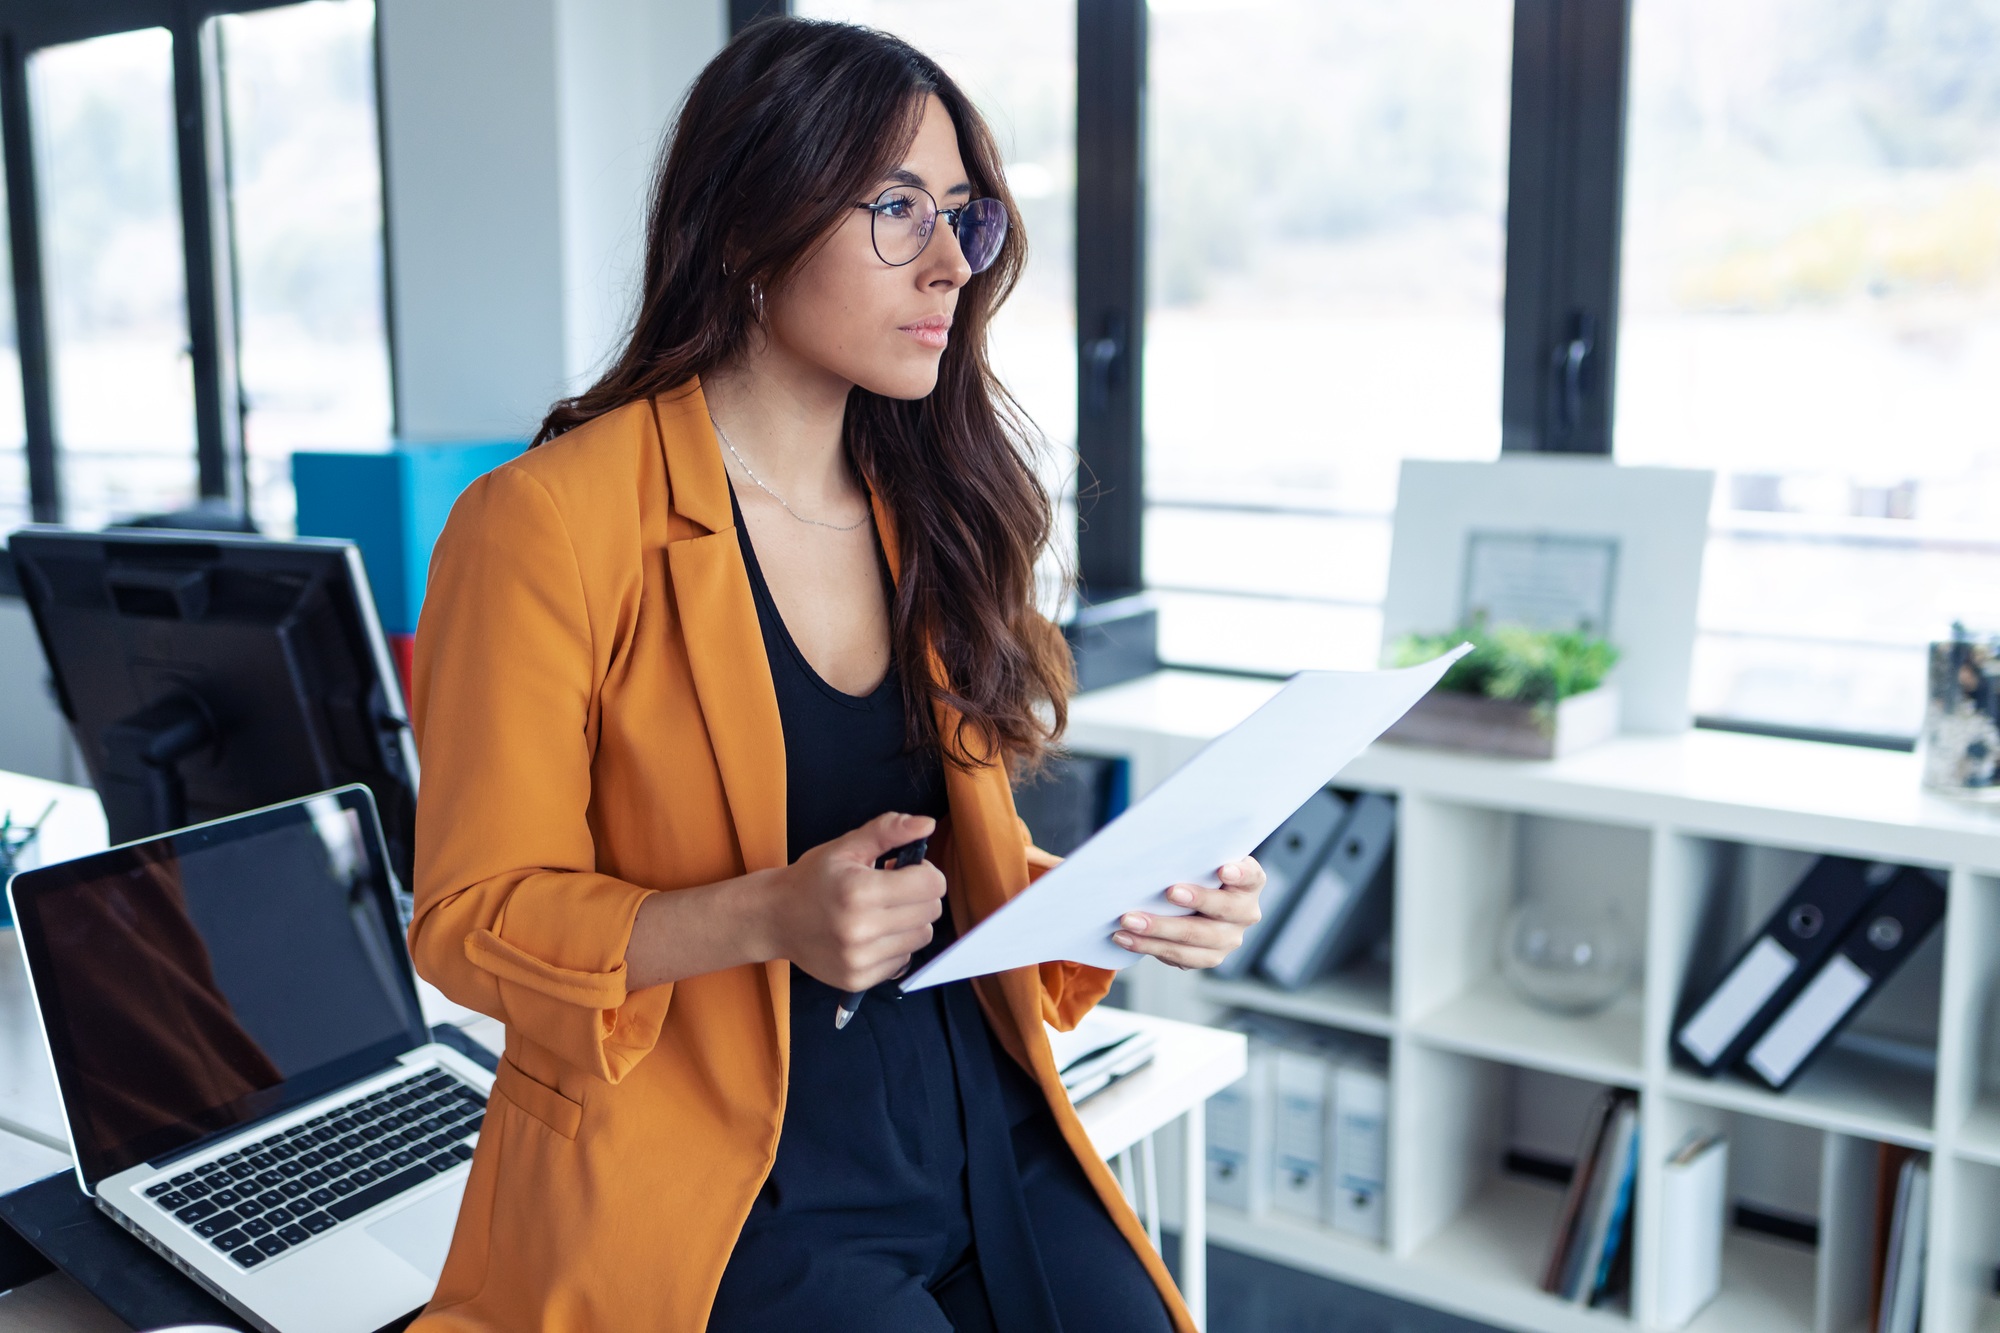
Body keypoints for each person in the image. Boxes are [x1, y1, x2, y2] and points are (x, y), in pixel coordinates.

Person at [407, 18, 1266, 1332]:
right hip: (736, 1179)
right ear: (752, 226)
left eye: (962, 215)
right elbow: (470, 919)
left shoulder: (931, 505)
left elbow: (935, 868)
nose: (951, 263)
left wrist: (1117, 901)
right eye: (897, 207)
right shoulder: (544, 524)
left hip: (973, 1118)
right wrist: (766, 915)